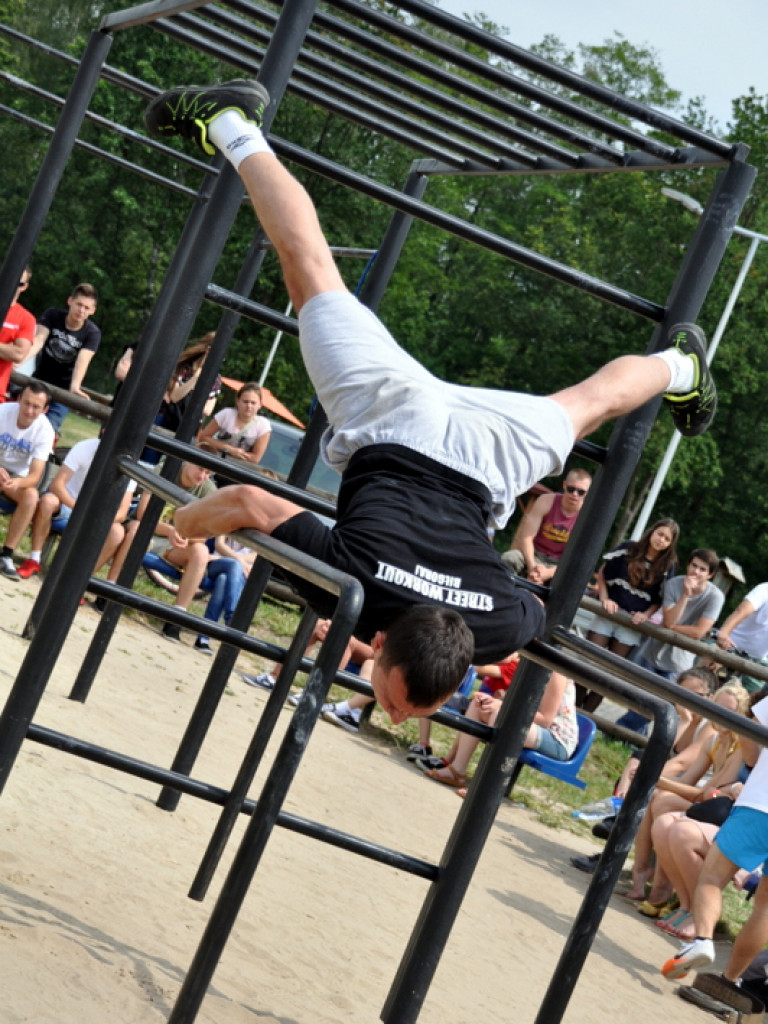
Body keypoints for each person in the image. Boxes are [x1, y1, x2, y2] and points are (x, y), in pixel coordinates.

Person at [145, 79, 718, 721]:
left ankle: (678, 364)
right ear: (380, 642)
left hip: (491, 452)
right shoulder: (350, 591)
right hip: (396, 424)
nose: (391, 713)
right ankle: (229, 122)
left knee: (590, 402)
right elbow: (249, 501)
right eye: (393, 701)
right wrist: (183, 522)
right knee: (307, 271)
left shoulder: (493, 631)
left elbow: (532, 608)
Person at [661, 691, 768, 981]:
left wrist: (754, 764)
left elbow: (749, 734)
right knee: (765, 908)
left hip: (761, 805)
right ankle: (729, 980)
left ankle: (702, 941)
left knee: (712, 877)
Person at [626, 681, 749, 903]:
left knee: (662, 801)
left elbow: (704, 794)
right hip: (709, 804)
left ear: (740, 714)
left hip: (723, 812)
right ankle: (642, 868)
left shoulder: (739, 747)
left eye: (730, 711)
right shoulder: (713, 741)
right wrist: (657, 780)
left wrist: (656, 779)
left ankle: (660, 885)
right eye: (718, 707)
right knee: (658, 797)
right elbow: (691, 781)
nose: (722, 715)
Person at [614, 548, 724, 734]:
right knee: (641, 698)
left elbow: (698, 632)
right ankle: (631, 738)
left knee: (663, 704)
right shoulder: (674, 584)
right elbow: (669, 620)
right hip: (653, 651)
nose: (696, 572)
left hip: (678, 661)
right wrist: (685, 596)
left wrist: (670, 628)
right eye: (694, 565)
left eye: (702, 569)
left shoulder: (715, 597)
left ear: (710, 574)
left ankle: (621, 731)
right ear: (688, 565)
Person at [576, 518, 679, 711]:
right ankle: (572, 710)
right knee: (588, 662)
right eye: (660, 534)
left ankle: (586, 715)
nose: (661, 540)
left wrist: (646, 615)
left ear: (670, 544)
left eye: (666, 539)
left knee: (610, 672)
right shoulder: (629, 549)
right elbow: (603, 573)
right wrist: (605, 598)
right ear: (652, 532)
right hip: (609, 613)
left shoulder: (667, 567)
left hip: (632, 623)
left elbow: (661, 598)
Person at [420, 670, 578, 790]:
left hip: (558, 739)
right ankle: (458, 770)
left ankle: (486, 786)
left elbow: (545, 719)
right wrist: (493, 701)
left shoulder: (556, 673)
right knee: (478, 705)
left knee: (500, 715)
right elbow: (519, 704)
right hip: (535, 729)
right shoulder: (530, 666)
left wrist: (501, 706)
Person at [16, 436, 137, 582]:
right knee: (48, 501)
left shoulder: (129, 465)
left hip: (95, 516)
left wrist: (96, 516)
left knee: (117, 533)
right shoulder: (86, 447)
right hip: (68, 503)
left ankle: (79, 579)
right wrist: (79, 508)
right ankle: (34, 559)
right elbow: (57, 484)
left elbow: (122, 513)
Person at [0, 382, 55, 580]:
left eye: (36, 407)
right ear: (18, 400)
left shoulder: (45, 431)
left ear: (45, 410)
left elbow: (35, 476)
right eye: (26, 404)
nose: (29, 411)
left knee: (31, 496)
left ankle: (6, 554)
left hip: (16, 478)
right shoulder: (2, 412)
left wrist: (16, 484)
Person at [30, 283, 101, 432]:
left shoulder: (92, 333)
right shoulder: (52, 315)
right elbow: (39, 341)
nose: (81, 310)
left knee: (48, 431)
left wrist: (75, 386)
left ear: (93, 311)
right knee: (25, 421)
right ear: (70, 301)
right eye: (79, 304)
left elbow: (83, 360)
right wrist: (19, 359)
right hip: (39, 380)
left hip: (64, 391)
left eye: (86, 308)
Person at [501, 469, 592, 583]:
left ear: (587, 493)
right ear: (564, 485)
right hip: (533, 555)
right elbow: (526, 537)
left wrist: (548, 573)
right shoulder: (546, 501)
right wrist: (532, 568)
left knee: (574, 579)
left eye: (581, 492)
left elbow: (576, 558)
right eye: (571, 489)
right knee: (509, 558)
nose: (575, 494)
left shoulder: (588, 517)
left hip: (560, 565)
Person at [197, 381, 272, 467]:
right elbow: (203, 437)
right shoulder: (226, 414)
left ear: (260, 405)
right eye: (245, 402)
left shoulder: (263, 425)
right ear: (238, 401)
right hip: (215, 462)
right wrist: (230, 450)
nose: (249, 406)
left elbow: (255, 458)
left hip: (240, 469)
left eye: (253, 403)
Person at [714, 582, 768, 691]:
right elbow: (742, 610)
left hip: (759, 660)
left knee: (751, 702)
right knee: (705, 681)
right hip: (731, 646)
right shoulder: (764, 589)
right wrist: (724, 632)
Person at [0, 266, 35, 402]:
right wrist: (6, 348)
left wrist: (12, 351)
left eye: (19, 283)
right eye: (11, 280)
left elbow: (19, 354)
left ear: (25, 287)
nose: (13, 286)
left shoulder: (26, 318)